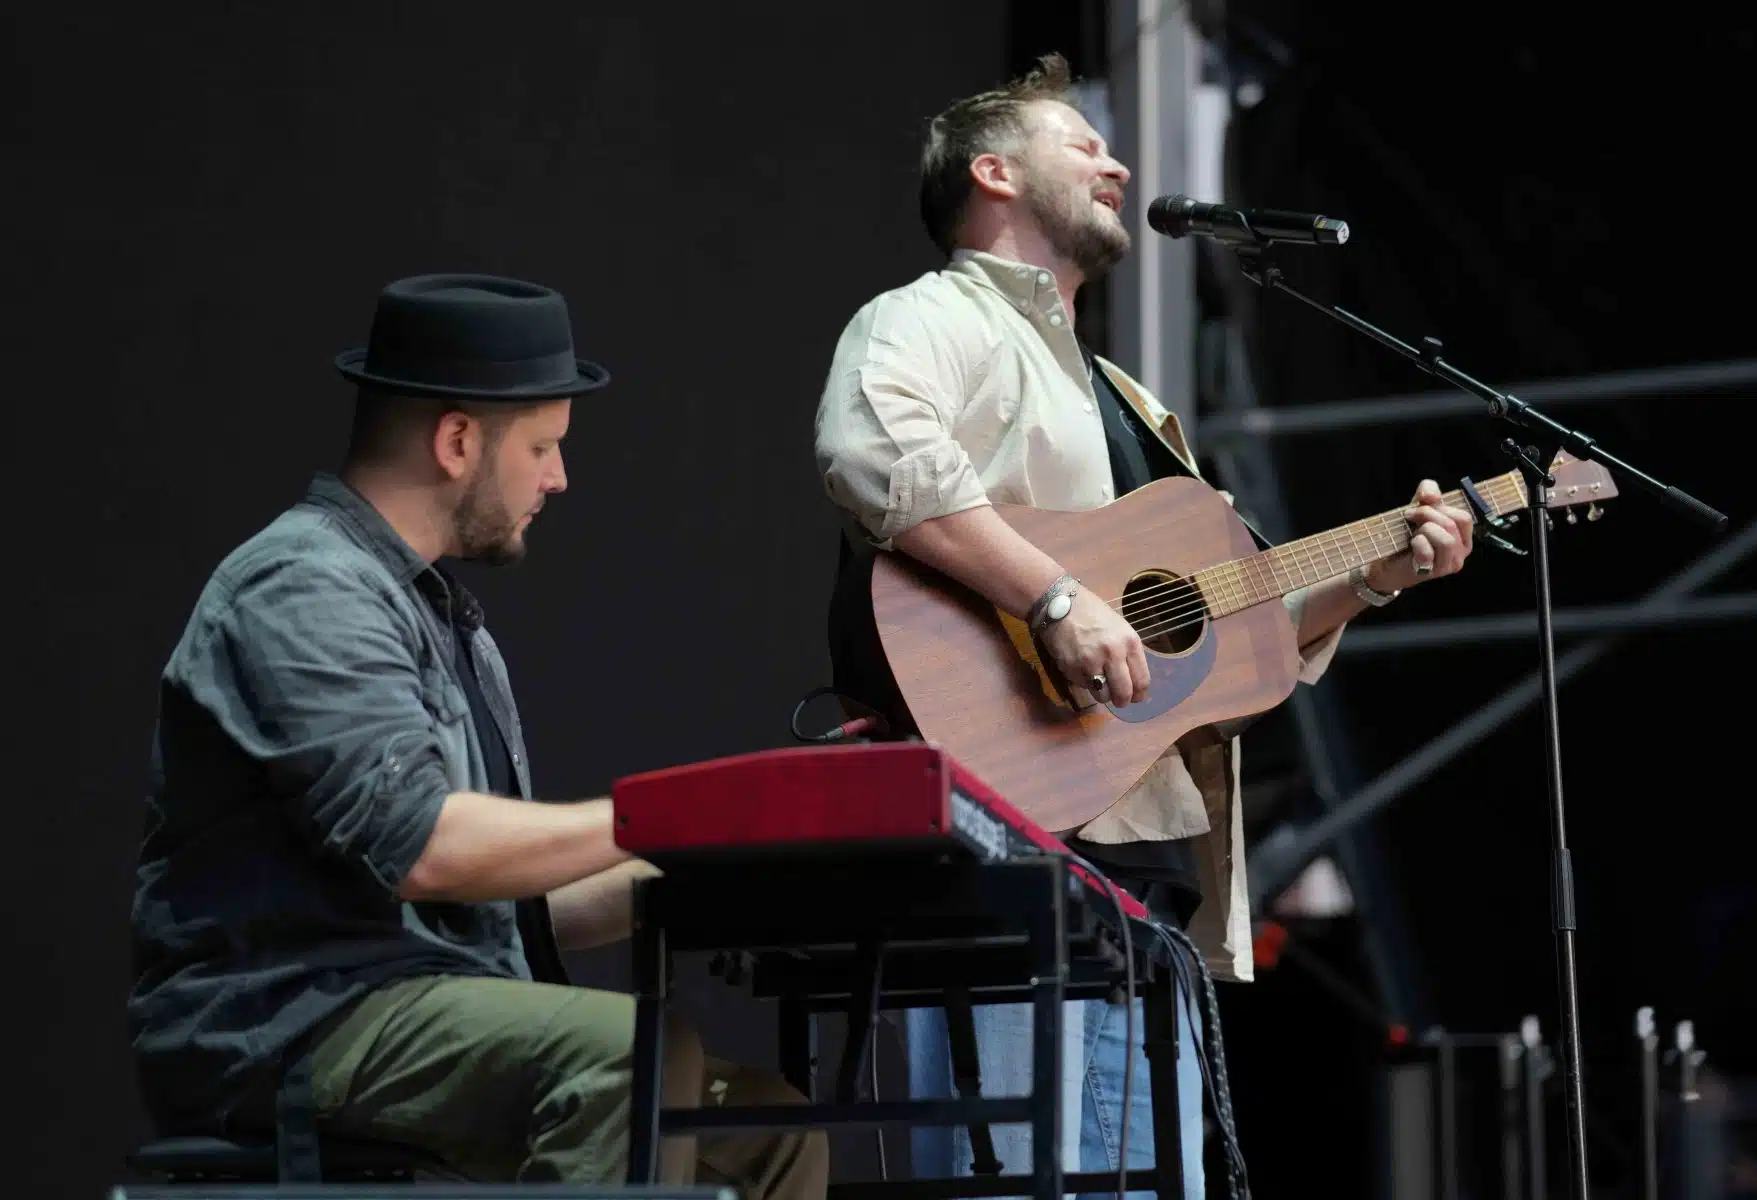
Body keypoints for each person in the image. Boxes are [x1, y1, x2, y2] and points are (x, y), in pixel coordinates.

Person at [811, 55, 1474, 1196]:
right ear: (994, 172)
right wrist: (1052, 597)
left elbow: (1231, 620)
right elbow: (871, 451)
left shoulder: (1129, 397)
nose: (1118, 163)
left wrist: (1379, 576)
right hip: (997, 851)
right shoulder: (929, 318)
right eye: (1083, 143)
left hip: (1139, 888)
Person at [129, 273, 828, 1194]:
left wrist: (749, 854)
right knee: (630, 1055)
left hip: (405, 1004)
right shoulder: (303, 588)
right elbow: (426, 849)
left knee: (768, 1128)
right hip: (293, 1021)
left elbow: (511, 903)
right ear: (458, 441)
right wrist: (675, 815)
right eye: (543, 445)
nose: (559, 476)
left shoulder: (446, 622)